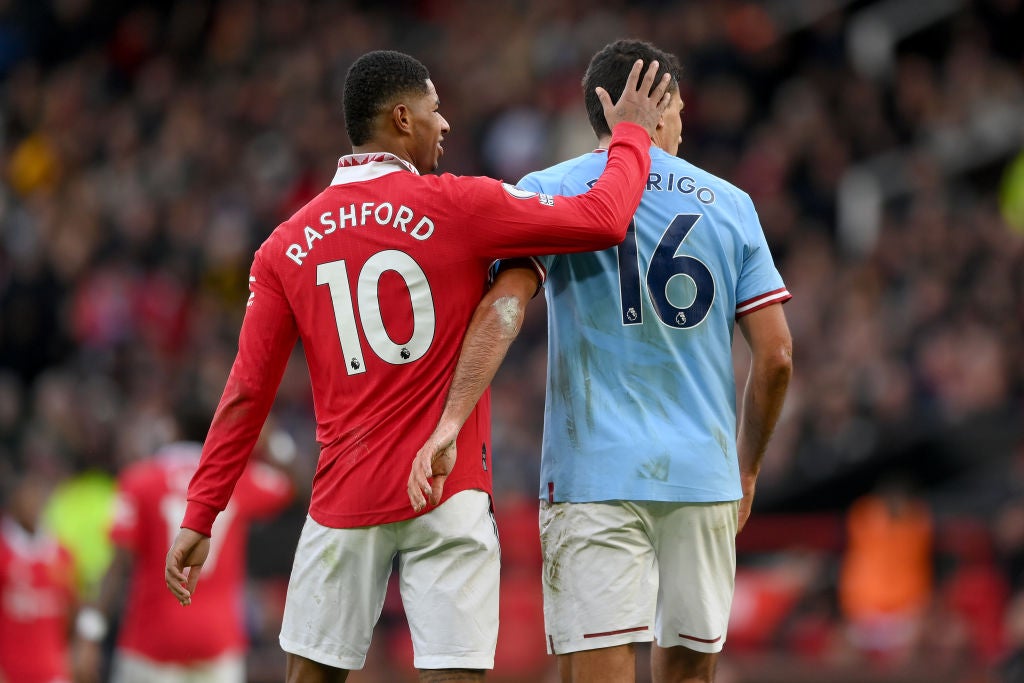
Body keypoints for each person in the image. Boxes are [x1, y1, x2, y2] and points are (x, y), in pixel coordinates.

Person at [165, 49, 672, 683]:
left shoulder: (285, 245)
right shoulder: (458, 205)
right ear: (403, 118)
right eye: (436, 110)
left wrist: (200, 514)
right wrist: (629, 135)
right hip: (447, 489)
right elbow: (605, 217)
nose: (447, 125)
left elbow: (246, 394)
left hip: (343, 500)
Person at [409, 40, 793, 683]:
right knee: (690, 674)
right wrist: (746, 469)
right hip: (703, 478)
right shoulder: (731, 205)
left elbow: (504, 311)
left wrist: (451, 419)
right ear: (661, 108)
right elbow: (777, 355)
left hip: (594, 476)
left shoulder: (550, 190)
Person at [97, 436, 294, 683]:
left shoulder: (140, 480)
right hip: (217, 639)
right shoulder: (236, 476)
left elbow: (119, 563)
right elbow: (290, 485)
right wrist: (274, 440)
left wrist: (91, 628)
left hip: (151, 640)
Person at [0, 468, 98, 683]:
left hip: (53, 672)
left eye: (40, 494)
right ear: (13, 501)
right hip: (9, 670)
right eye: (29, 494)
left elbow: (79, 605)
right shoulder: (4, 552)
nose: (35, 501)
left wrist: (86, 642)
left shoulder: (61, 554)